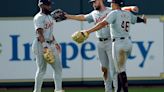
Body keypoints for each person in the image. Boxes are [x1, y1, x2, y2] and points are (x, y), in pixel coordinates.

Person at [65, 0, 138, 92]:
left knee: (114, 69)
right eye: (92, 3)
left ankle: (118, 90)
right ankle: (108, 90)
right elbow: (83, 17)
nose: (93, 4)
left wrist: (131, 7)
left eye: (94, 2)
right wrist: (68, 16)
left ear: (100, 1)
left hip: (111, 41)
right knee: (104, 69)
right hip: (100, 43)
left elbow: (122, 9)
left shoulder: (110, 10)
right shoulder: (94, 13)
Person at [32, 0, 64, 92]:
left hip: (50, 43)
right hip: (40, 44)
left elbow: (49, 32)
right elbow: (40, 33)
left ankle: (58, 90)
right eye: (48, 5)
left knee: (58, 68)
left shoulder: (49, 16)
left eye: (50, 5)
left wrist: (56, 43)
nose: (50, 6)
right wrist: (45, 46)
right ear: (41, 5)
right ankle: (36, 91)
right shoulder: (38, 17)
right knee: (42, 69)